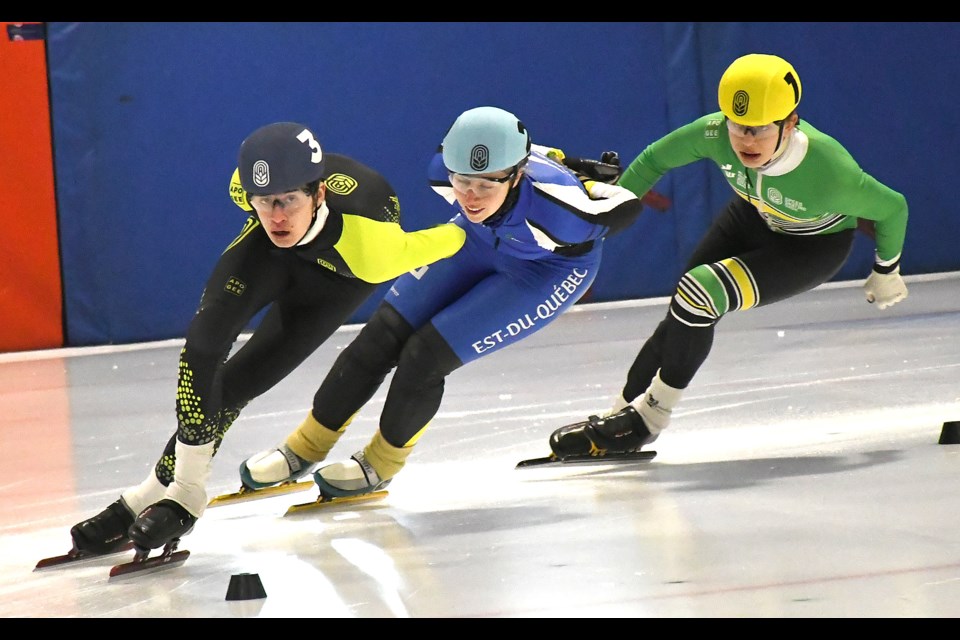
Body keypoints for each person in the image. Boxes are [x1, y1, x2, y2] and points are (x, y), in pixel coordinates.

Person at [67, 121, 467, 555]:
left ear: (319, 195)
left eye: (287, 201)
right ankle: (171, 492)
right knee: (202, 346)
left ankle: (161, 496)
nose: (276, 216)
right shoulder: (244, 190)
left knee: (238, 384)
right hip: (271, 257)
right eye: (264, 202)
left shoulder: (375, 249)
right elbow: (263, 213)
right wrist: (273, 207)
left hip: (337, 278)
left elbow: (458, 236)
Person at [237, 105, 644, 497]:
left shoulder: (563, 213)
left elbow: (628, 206)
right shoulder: (442, 172)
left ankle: (380, 464)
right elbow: (531, 155)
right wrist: (563, 158)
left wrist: (593, 187)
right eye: (463, 181)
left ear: (517, 178)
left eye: (487, 185)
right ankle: (304, 447)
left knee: (424, 357)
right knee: (379, 337)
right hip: (476, 240)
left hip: (547, 271)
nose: (471, 195)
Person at [548, 52, 910, 458]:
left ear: (790, 124)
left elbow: (893, 207)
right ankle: (619, 415)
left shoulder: (828, 170)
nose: (745, 141)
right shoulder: (715, 133)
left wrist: (887, 269)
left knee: (699, 292)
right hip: (753, 215)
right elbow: (653, 160)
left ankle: (649, 420)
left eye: (758, 130)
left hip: (812, 246)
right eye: (738, 127)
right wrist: (603, 223)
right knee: (683, 313)